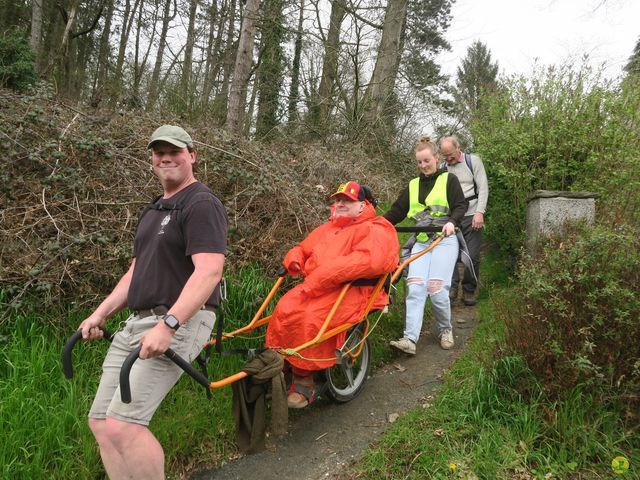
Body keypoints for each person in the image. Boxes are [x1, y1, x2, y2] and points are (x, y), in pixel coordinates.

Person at [78, 125, 228, 479]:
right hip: (137, 324)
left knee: (124, 427)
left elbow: (209, 272)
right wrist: (100, 314)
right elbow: (135, 272)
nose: (166, 158)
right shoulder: (155, 209)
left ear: (192, 155)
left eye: (174, 151)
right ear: (151, 161)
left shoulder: (201, 203)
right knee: (101, 423)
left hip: (178, 322)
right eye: (159, 152)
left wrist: (169, 324)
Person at [265, 181, 399, 409]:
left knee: (310, 317)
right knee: (284, 309)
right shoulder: (329, 228)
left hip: (352, 289)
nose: (340, 204)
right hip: (318, 287)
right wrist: (295, 257)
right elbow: (303, 247)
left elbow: (371, 260)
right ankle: (283, 368)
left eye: (347, 200)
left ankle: (303, 379)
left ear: (362, 205)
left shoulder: (376, 227)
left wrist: (325, 275)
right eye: (337, 200)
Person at [384, 135, 467, 353]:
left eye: (426, 161)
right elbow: (396, 212)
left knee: (436, 289)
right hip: (421, 241)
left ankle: (445, 328)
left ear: (436, 158)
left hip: (445, 240)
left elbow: (460, 206)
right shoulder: (412, 185)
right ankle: (409, 340)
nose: (423, 166)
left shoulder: (449, 180)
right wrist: (375, 225)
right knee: (415, 287)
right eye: (419, 162)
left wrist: (452, 222)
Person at [439, 135, 489, 306]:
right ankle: (451, 289)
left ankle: (468, 290)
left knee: (472, 256)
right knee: (448, 255)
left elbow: (483, 187)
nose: (448, 158)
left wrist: (480, 212)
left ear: (458, 148)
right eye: (445, 155)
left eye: (450, 154)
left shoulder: (473, 161)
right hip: (451, 217)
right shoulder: (442, 168)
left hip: (472, 213)